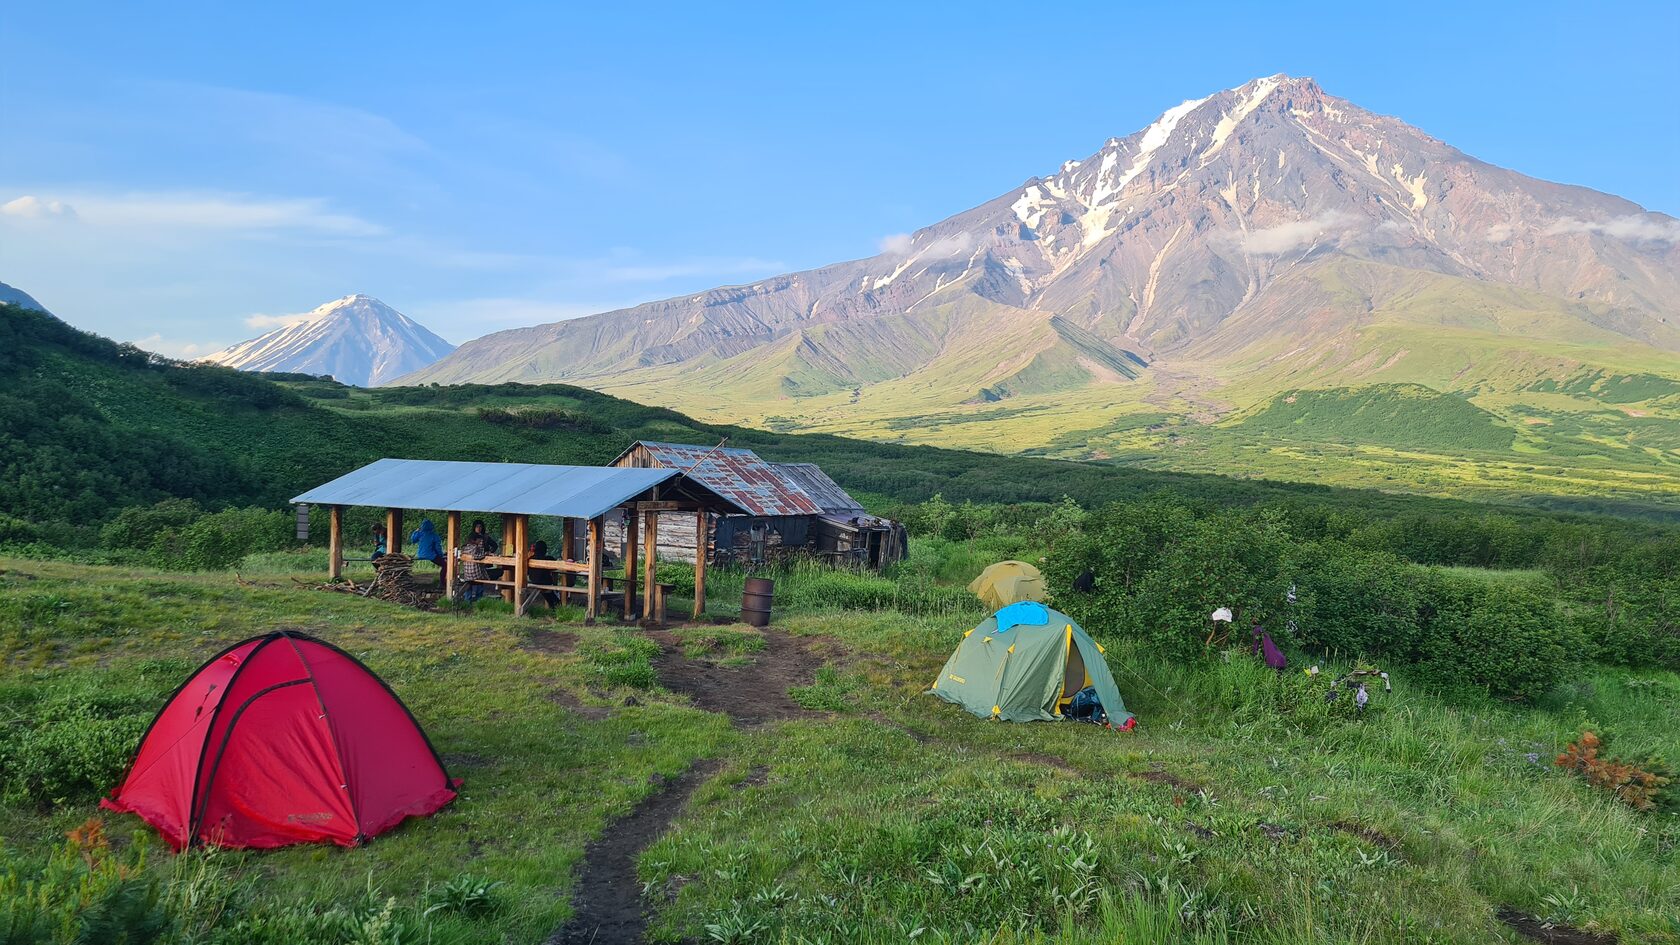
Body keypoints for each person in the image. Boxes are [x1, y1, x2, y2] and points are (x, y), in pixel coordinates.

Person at [457, 535, 489, 603]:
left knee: (469, 584)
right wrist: (485, 554)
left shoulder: (464, 548)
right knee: (482, 579)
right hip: (475, 573)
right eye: (480, 540)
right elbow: (476, 556)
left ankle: (467, 600)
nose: (481, 542)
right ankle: (479, 600)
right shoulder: (475, 547)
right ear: (475, 540)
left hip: (467, 574)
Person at [530, 540, 561, 608]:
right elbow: (556, 567)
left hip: (533, 581)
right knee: (551, 593)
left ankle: (554, 606)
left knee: (547, 593)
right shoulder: (548, 559)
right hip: (545, 583)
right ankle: (557, 605)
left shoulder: (530, 559)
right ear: (544, 549)